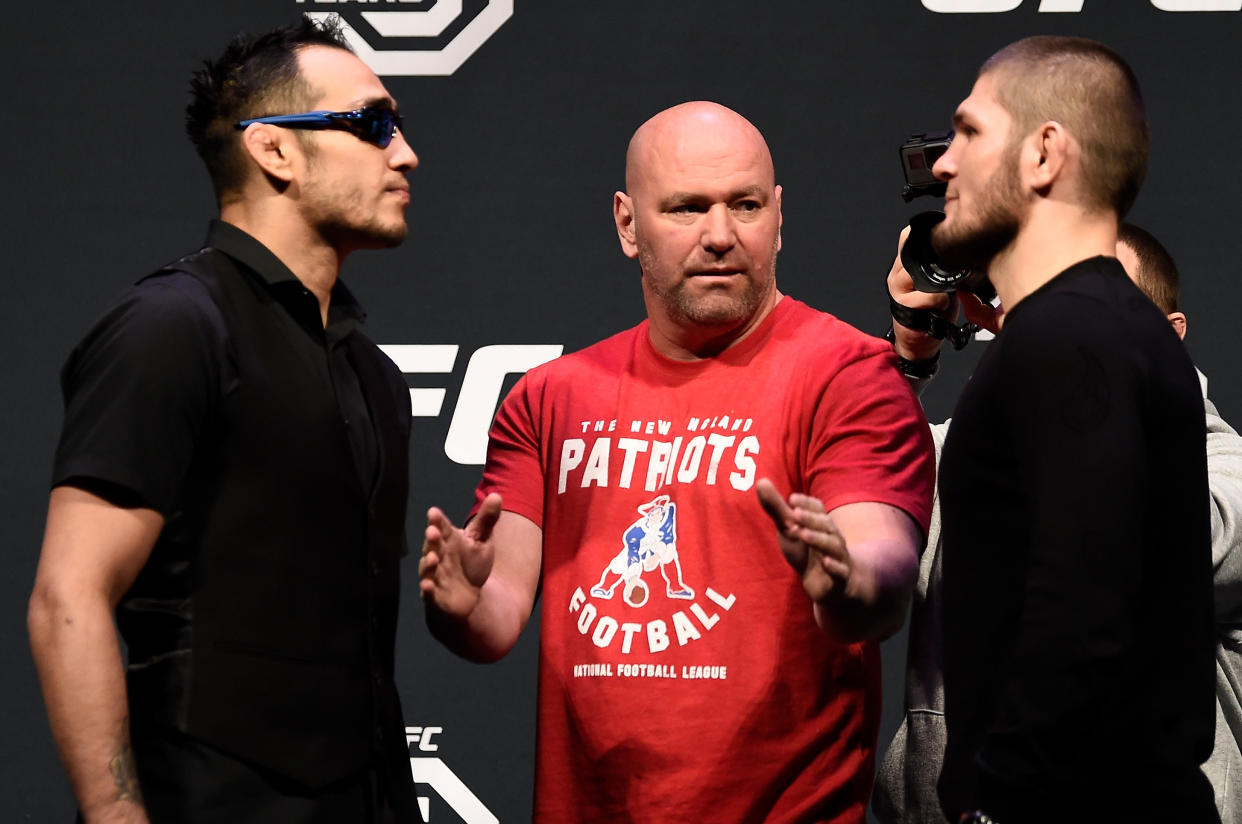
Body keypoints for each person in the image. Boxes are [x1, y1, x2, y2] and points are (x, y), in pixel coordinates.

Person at [417, 101, 936, 822]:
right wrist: (461, 605)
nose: (721, 236)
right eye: (688, 209)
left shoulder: (851, 377)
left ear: (778, 215)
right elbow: (494, 618)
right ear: (628, 223)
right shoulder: (550, 399)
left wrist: (847, 581)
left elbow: (879, 569)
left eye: (745, 206)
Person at [26, 18, 420, 823]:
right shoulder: (172, 328)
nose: (406, 153)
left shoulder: (372, 376)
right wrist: (113, 814)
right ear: (274, 150)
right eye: (374, 125)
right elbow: (69, 594)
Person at [905, 35, 1218, 823]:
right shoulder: (1101, 329)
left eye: (970, 132)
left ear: (1045, 153)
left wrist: (999, 806)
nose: (942, 164)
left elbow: (1083, 606)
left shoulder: (1071, 339)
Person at [871, 222, 1242, 824]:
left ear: (1169, 338)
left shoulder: (1227, 471)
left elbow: (1125, 525)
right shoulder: (971, 453)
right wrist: (910, 356)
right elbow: (867, 475)